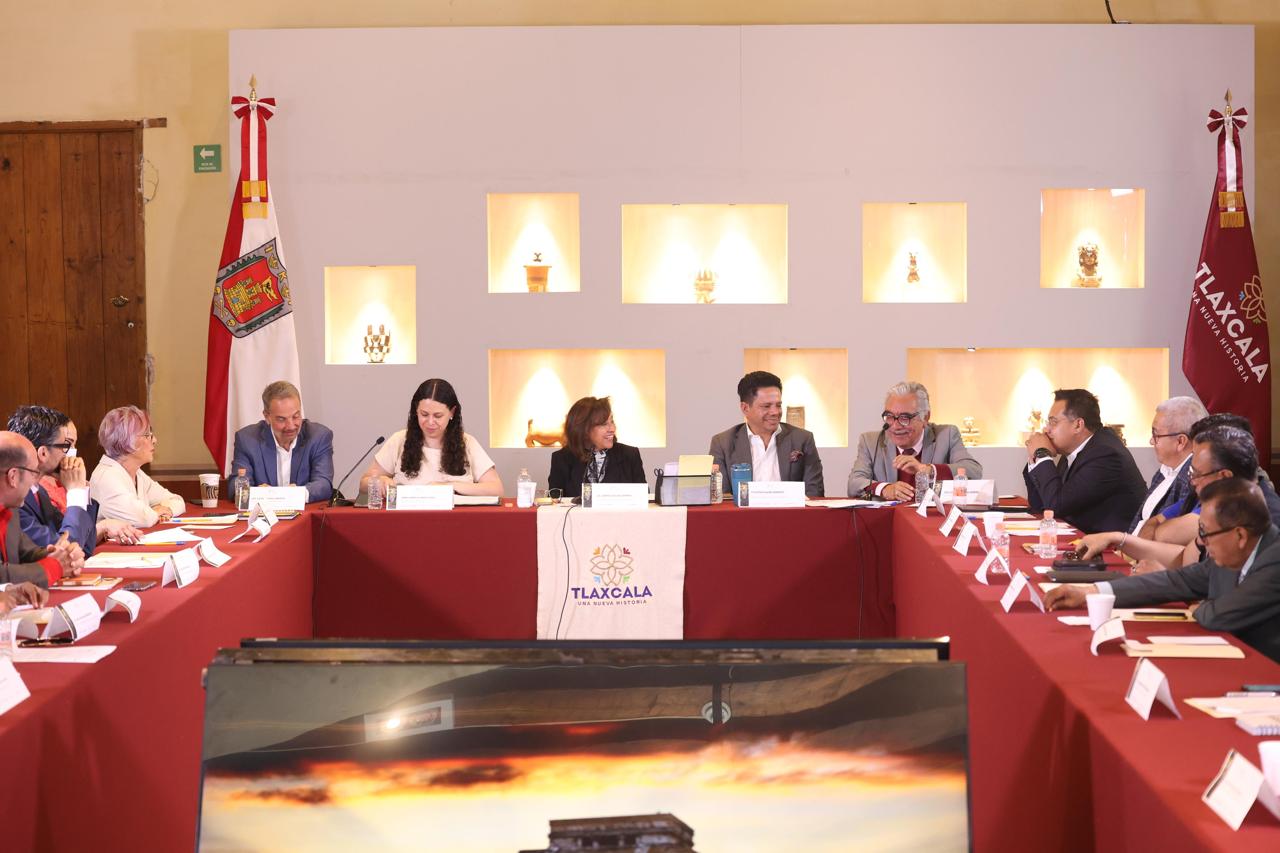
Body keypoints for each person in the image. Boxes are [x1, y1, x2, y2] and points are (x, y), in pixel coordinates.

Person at [1047, 479, 1280, 663]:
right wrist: (1090, 592)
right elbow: (1173, 581)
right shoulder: (1231, 553)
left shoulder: (1274, 559)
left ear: (1240, 535)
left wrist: (1199, 606)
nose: (1202, 542)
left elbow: (1218, 615)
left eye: (1206, 533)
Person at [1074, 425, 1266, 570]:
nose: (1192, 482)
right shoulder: (1225, 504)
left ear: (1224, 476)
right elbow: (1186, 559)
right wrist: (1117, 538)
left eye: (1197, 474)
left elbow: (1211, 595)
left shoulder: (1261, 522)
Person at [8, 405, 142, 554]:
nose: (73, 454)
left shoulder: (38, 493)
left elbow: (85, 546)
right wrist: (76, 492)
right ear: (43, 453)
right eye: (67, 445)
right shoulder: (13, 500)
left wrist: (82, 490)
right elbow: (67, 549)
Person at [1023, 388, 1146, 534]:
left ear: (1078, 425)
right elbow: (1042, 506)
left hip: (1113, 545)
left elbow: (1057, 505)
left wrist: (1042, 454)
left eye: (1053, 422)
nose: (1046, 430)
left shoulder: (1105, 454)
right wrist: (1037, 458)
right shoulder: (1073, 451)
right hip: (1084, 539)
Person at [362, 378, 504, 496]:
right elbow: (363, 484)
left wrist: (449, 486)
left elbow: (496, 489)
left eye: (438, 416)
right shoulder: (399, 440)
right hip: (407, 519)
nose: (430, 422)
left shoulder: (467, 443)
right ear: (416, 410)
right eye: (424, 414)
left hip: (456, 519)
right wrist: (379, 481)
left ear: (452, 412)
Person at [847, 381, 982, 499]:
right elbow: (854, 483)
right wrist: (885, 489)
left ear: (925, 418)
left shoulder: (946, 435)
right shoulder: (870, 442)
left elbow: (973, 471)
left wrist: (926, 469)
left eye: (905, 418)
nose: (895, 426)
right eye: (890, 416)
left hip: (933, 517)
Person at [708, 371, 824, 497]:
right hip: (742, 511)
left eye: (778, 405)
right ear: (745, 408)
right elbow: (721, 498)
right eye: (766, 406)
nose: (775, 412)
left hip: (792, 510)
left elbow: (814, 494)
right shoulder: (723, 443)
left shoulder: (802, 439)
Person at [0, 431, 83, 587]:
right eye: (33, 473)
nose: (35, 481)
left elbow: (26, 552)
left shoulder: (10, 509)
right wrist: (54, 566)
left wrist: (60, 555)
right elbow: (2, 575)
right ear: (13, 477)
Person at [230, 380, 335, 503]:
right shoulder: (247, 440)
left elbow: (323, 484)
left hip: (304, 513)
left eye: (296, 416)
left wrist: (295, 494)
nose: (290, 426)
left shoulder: (318, 436)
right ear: (267, 417)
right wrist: (259, 494)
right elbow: (235, 487)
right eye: (281, 419)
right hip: (262, 513)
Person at [89, 406, 186, 527]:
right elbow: (143, 519)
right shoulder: (106, 477)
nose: (154, 440)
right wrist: (155, 512)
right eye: (147, 435)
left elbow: (177, 500)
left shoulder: (137, 473)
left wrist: (167, 510)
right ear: (127, 440)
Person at [1127, 396, 1207, 537]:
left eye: (1156, 435)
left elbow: (1171, 535)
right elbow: (1144, 521)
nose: (1151, 441)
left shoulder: (1193, 479)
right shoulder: (1164, 470)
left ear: (1180, 442)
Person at [547, 397, 646, 499]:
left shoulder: (629, 455)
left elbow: (643, 498)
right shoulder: (561, 458)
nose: (612, 429)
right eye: (604, 424)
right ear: (583, 428)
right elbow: (554, 501)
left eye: (612, 421)